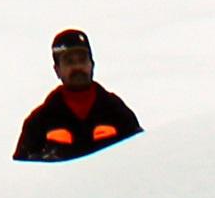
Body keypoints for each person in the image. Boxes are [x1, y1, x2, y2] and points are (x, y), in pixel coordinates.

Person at [13, 28, 142, 161]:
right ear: (57, 70)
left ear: (92, 64)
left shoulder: (116, 111)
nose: (77, 67)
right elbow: (23, 173)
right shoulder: (39, 121)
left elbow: (141, 156)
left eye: (82, 60)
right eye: (69, 62)